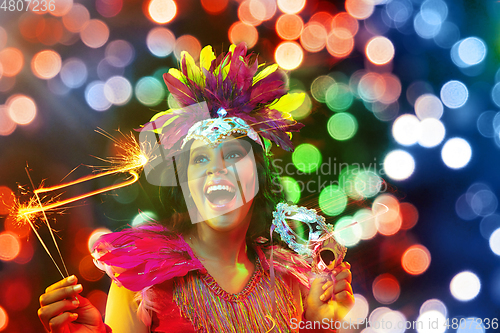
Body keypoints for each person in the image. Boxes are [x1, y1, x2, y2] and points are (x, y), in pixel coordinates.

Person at [38, 43, 354, 333]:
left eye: (232, 154)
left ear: (257, 176)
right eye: (200, 159)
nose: (217, 168)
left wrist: (319, 323)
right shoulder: (143, 279)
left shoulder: (293, 281)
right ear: (185, 186)